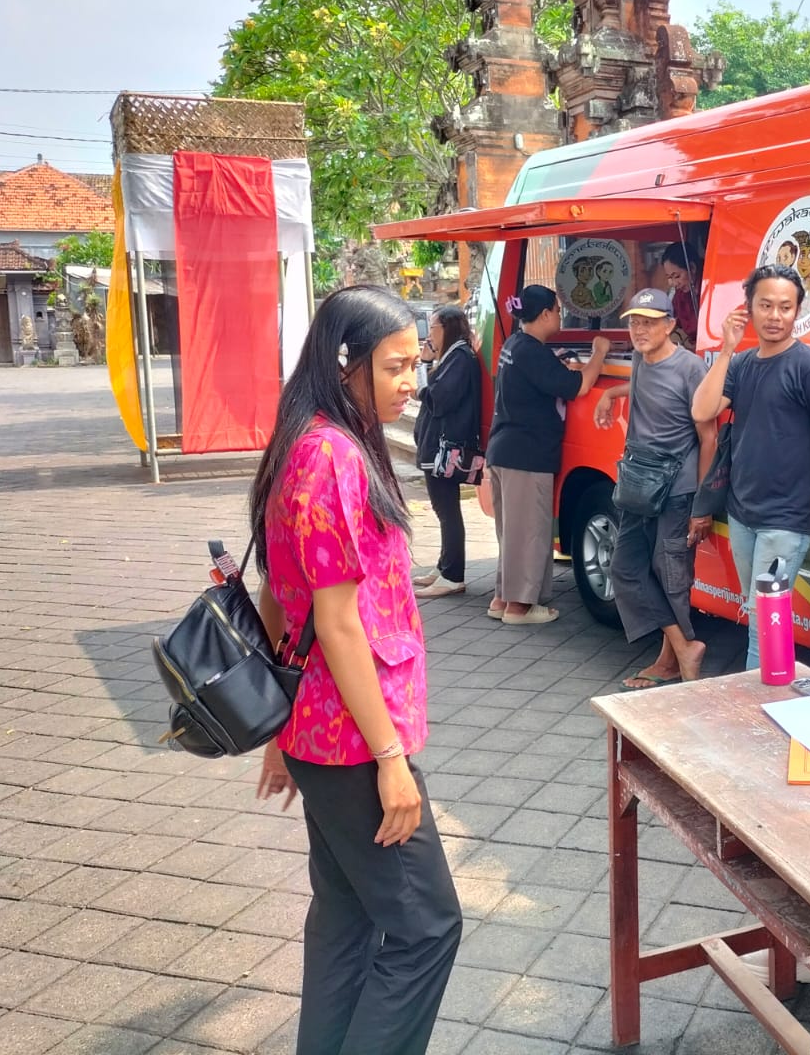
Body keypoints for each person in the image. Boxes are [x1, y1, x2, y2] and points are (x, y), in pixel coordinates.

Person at [249, 285, 462, 1054]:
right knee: (426, 928)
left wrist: (280, 727)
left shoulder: (304, 439)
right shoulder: (331, 456)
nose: (412, 381)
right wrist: (389, 761)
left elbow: (282, 596)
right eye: (397, 366)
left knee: (344, 920)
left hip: (320, 732)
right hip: (350, 742)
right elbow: (335, 623)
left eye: (417, 364)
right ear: (348, 366)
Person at [692, 263, 810, 669]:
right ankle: (766, 698)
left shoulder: (808, 366)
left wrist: (803, 471)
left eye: (785, 307)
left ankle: (762, 710)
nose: (775, 316)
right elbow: (702, 409)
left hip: (785, 519)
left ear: (798, 311)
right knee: (756, 609)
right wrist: (726, 348)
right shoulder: (740, 365)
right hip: (743, 514)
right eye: (766, 305)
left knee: (764, 619)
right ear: (749, 309)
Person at [594, 288, 717, 689]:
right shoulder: (640, 360)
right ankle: (684, 647)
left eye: (648, 322)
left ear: (670, 325)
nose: (639, 330)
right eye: (634, 322)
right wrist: (611, 393)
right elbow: (643, 386)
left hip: (678, 491)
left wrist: (702, 502)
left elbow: (708, 437)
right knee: (625, 568)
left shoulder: (691, 368)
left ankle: (670, 660)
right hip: (638, 484)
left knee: (672, 575)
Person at [486, 284, 610, 624]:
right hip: (526, 455)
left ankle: (502, 599)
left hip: (505, 451)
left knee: (511, 531)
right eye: (556, 309)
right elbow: (578, 386)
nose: (559, 315)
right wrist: (599, 352)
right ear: (544, 315)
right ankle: (520, 608)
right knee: (529, 531)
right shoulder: (532, 351)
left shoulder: (515, 344)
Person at [412, 304, 482, 600]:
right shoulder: (454, 356)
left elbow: (438, 399)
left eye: (434, 328)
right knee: (444, 510)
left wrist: (423, 367)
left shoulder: (460, 358)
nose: (430, 335)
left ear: (449, 328)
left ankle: (453, 574)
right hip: (439, 444)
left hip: (445, 447)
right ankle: (444, 566)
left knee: (447, 511)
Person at [661, 242, 703, 350]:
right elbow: (671, 321)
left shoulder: (710, 289)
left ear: (692, 268)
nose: (674, 283)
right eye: (669, 277)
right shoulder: (680, 295)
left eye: (677, 276)